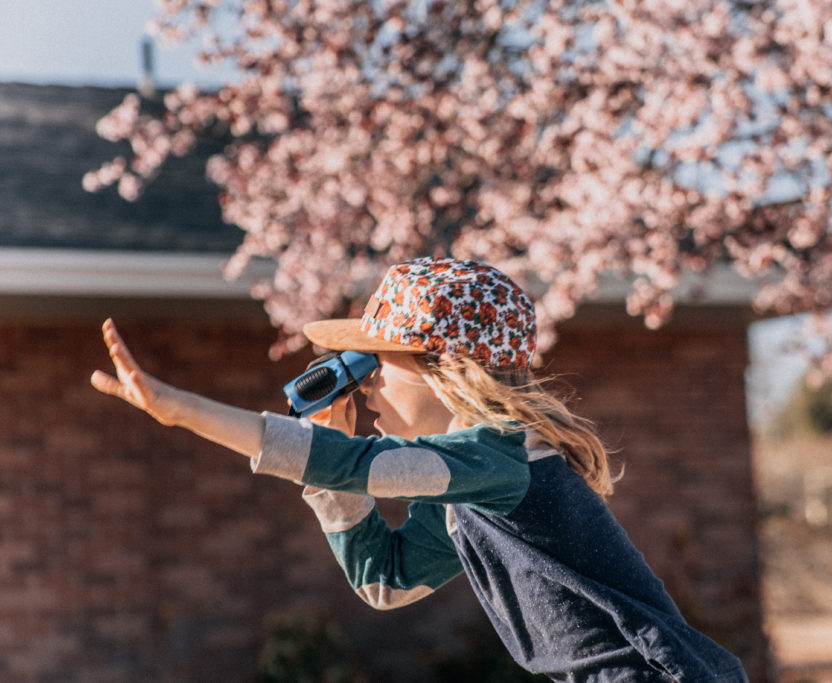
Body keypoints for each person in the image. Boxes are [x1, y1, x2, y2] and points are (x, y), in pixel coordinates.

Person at [91, 257, 748, 682]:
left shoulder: (502, 455)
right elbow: (389, 579)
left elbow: (354, 464)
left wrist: (179, 409)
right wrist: (326, 479)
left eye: (380, 363)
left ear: (446, 369)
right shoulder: (470, 486)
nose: (367, 385)